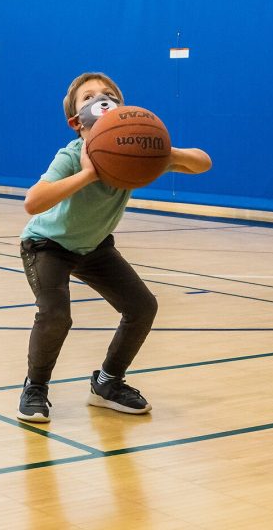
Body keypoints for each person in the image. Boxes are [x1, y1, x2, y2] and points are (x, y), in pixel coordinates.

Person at [17, 72, 212, 422]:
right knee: (56, 315)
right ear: (76, 122)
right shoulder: (72, 155)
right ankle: (36, 386)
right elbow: (33, 202)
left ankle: (107, 383)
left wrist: (162, 148)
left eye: (109, 94)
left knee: (142, 307)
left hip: (93, 247)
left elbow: (202, 163)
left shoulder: (133, 152)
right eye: (89, 96)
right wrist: (88, 174)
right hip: (47, 245)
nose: (101, 99)